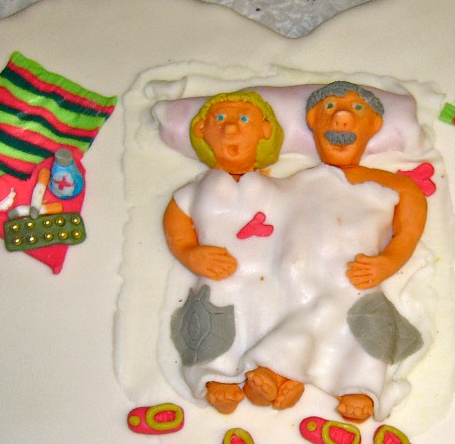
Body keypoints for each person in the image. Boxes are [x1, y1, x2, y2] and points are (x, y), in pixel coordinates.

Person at [243, 81, 428, 423]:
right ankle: (281, 375)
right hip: (300, 279)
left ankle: (358, 387)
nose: (341, 117)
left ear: (374, 125)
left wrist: (387, 262)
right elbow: (261, 210)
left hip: (356, 276)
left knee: (361, 323)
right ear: (312, 121)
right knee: (292, 312)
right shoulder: (296, 181)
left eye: (357, 109)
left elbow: (409, 232)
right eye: (329, 108)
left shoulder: (397, 185)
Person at [161, 90, 297, 414]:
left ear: (265, 130)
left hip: (271, 277)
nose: (231, 129)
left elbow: (301, 224)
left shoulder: (282, 190)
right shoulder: (195, 190)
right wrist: (190, 252)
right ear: (201, 131)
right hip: (219, 277)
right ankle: (216, 377)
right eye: (219, 119)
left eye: (244, 119)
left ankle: (276, 377)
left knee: (282, 319)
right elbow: (177, 225)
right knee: (211, 320)